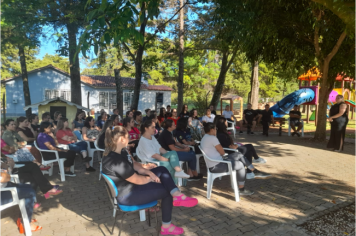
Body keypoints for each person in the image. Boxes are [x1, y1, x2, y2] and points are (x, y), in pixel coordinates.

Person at [102, 126, 198, 235]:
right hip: (128, 196)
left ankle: (177, 194)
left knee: (162, 169)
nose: (130, 139)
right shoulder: (114, 160)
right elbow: (138, 180)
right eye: (128, 137)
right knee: (166, 191)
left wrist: (145, 169)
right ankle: (167, 226)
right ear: (122, 139)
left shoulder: (122, 151)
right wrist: (150, 176)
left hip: (132, 187)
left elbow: (134, 164)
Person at [200, 123, 255, 195]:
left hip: (216, 162)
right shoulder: (213, 138)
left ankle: (252, 169)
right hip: (217, 165)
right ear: (212, 130)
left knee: (238, 154)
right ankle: (241, 189)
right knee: (241, 165)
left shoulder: (204, 137)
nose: (216, 130)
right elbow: (222, 152)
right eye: (215, 129)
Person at [0, 167, 43, 233]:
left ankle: (22, 218)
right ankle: (26, 223)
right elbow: (5, 178)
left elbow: (7, 171)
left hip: (5, 186)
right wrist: (5, 172)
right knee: (30, 193)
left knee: (29, 187)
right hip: (2, 193)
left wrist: (5, 169)